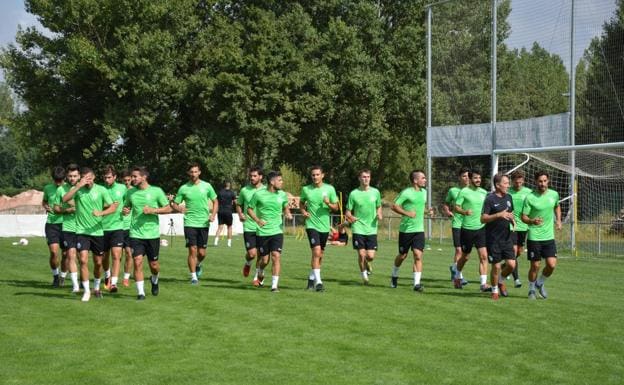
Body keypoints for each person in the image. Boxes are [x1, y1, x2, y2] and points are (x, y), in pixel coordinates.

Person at [62, 167, 118, 301]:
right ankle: (86, 291)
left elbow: (113, 206)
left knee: (98, 263)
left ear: (93, 178)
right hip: (82, 231)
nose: (87, 181)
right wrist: (78, 186)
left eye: (89, 178)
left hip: (97, 232)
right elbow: (65, 199)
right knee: (82, 259)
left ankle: (97, 287)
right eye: (84, 178)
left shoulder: (101, 190)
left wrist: (101, 213)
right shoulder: (78, 189)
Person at [123, 166, 172, 300]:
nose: (132, 179)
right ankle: (141, 293)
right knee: (137, 261)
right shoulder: (130, 193)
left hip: (152, 235)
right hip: (135, 234)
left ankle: (154, 279)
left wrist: (153, 210)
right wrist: (125, 211)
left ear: (144, 177)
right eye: (131, 176)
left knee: (154, 266)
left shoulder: (156, 191)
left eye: (135, 176)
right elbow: (126, 207)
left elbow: (168, 208)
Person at [170, 163, 218, 285]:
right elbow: (174, 203)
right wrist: (179, 209)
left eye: (195, 171)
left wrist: (213, 215)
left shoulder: (207, 186)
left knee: (201, 253)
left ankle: (198, 264)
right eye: (191, 172)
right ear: (188, 173)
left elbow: (215, 201)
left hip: (204, 223)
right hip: (189, 222)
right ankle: (193, 277)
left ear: (199, 172)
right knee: (192, 250)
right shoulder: (183, 188)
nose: (193, 174)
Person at [247, 171, 292, 292]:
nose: (282, 183)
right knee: (264, 260)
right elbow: (249, 209)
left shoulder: (282, 194)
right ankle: (260, 271)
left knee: (276, 256)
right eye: (280, 180)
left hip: (277, 231)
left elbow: (285, 206)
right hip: (262, 232)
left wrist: (287, 213)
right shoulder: (259, 194)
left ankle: (274, 286)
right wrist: (257, 220)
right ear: (272, 182)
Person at [390, 170, 433, 292]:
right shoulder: (406, 192)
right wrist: (407, 213)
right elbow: (394, 206)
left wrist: (427, 211)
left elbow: (419, 208)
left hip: (419, 230)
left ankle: (416, 284)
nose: (425, 180)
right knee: (402, 256)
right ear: (415, 180)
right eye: (423, 178)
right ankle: (394, 274)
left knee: (418, 255)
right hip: (406, 230)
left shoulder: (424, 192)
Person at [521, 171, 562, 300]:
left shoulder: (554, 194)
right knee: (535, 265)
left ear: (548, 181)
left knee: (551, 265)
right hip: (535, 236)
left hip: (549, 236)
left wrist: (559, 220)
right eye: (540, 181)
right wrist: (532, 221)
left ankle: (540, 282)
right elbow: (523, 217)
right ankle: (531, 289)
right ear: (535, 182)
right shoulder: (530, 197)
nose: (542, 184)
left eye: (544, 181)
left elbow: (557, 206)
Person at [300, 165, 339, 291]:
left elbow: (336, 208)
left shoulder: (330, 189)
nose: (315, 177)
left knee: (320, 254)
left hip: (324, 226)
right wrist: (303, 211)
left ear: (322, 175)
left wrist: (328, 203)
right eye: (313, 175)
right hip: (311, 225)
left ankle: (311, 280)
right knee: (316, 252)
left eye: (317, 174)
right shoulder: (306, 189)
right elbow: (301, 202)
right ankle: (319, 282)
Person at [453, 169, 490, 292]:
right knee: (465, 257)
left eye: (479, 178)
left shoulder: (484, 192)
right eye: (475, 178)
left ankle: (483, 284)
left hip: (481, 229)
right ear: (469, 179)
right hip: (467, 230)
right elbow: (456, 207)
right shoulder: (464, 192)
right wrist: (464, 212)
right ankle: (457, 275)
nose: (478, 180)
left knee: (484, 256)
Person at [480, 173, 516, 300]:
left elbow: (510, 213)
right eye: (505, 183)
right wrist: (498, 215)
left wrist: (512, 220)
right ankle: (494, 290)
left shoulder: (509, 197)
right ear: (497, 185)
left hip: (506, 238)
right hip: (493, 239)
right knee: (496, 266)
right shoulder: (490, 199)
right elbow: (483, 219)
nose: (508, 185)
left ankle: (500, 281)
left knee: (511, 265)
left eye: (508, 183)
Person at [345, 169, 382, 285]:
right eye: (363, 177)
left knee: (370, 256)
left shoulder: (375, 192)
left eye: (368, 177)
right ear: (359, 179)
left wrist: (379, 213)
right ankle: (364, 276)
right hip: (358, 227)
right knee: (361, 254)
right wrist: (351, 218)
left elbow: (379, 206)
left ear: (370, 178)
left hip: (371, 228)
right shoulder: (354, 193)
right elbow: (347, 212)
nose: (366, 179)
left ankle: (368, 262)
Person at [53, 164, 81, 293]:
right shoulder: (60, 190)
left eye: (75, 176)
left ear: (79, 176)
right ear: (66, 176)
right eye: (70, 176)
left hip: (83, 227)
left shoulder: (85, 189)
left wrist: (76, 205)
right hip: (68, 227)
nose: (72, 178)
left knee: (83, 259)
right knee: (70, 255)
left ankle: (85, 281)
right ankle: (75, 285)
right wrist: (67, 210)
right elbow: (56, 209)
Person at [101, 165, 128, 292]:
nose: (107, 180)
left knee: (116, 255)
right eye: (105, 177)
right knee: (104, 257)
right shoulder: (100, 189)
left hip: (118, 227)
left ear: (115, 177)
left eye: (109, 177)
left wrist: (127, 209)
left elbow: (129, 202)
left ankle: (114, 283)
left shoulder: (122, 188)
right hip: (102, 228)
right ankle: (107, 275)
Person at [236, 167, 265, 284]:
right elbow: (238, 204)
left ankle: (256, 277)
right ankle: (248, 263)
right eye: (251, 176)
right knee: (252, 254)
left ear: (260, 177)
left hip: (263, 226)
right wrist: (240, 214)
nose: (252, 178)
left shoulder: (267, 190)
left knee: (261, 254)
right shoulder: (244, 190)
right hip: (249, 226)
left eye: (255, 176)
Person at [443, 167, 470, 285]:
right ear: (459, 178)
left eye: (468, 176)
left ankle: (454, 268)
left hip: (470, 225)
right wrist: (448, 211)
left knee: (465, 253)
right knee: (458, 250)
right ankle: (460, 276)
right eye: (464, 176)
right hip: (457, 223)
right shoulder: (453, 190)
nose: (467, 178)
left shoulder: (474, 191)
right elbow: (446, 204)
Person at [507, 169, 532, 288]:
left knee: (519, 252)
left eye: (520, 182)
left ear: (523, 181)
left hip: (524, 226)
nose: (518, 184)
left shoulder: (528, 192)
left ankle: (506, 266)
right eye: (516, 182)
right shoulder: (508, 192)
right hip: (511, 226)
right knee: (513, 251)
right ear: (512, 182)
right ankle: (516, 279)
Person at [42, 166, 65, 287]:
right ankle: (56, 276)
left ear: (64, 178)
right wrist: (45, 206)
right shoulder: (47, 188)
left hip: (66, 224)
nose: (58, 182)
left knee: (66, 254)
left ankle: (63, 276)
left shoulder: (68, 189)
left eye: (60, 180)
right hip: (51, 224)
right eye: (56, 180)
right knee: (54, 252)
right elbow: (44, 201)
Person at [120, 169, 133, 287]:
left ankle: (126, 278)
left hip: (130, 228)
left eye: (129, 180)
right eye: (125, 180)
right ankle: (113, 278)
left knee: (129, 253)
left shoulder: (134, 193)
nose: (127, 182)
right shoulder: (117, 191)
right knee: (117, 255)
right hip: (118, 226)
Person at [214, 181, 237, 247]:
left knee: (220, 227)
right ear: (229, 185)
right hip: (228, 211)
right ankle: (229, 243)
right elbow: (236, 202)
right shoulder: (232, 193)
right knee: (229, 227)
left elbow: (216, 201)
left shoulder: (220, 192)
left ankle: (215, 242)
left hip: (220, 211)